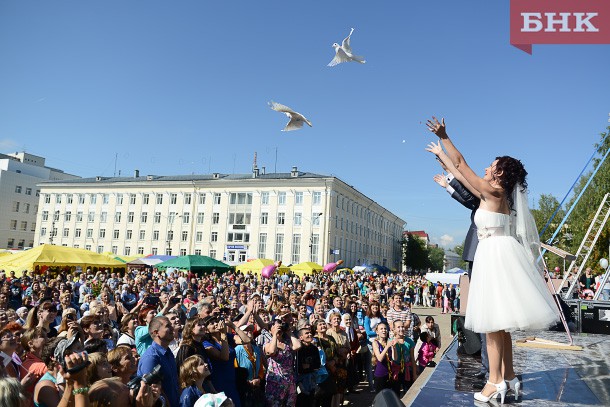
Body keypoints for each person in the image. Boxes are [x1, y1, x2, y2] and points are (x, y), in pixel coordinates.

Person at [426, 116, 559, 403]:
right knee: (501, 326)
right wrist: (441, 157)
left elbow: (462, 165)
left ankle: (493, 382)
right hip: (499, 254)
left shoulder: (494, 191)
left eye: (491, 165)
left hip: (494, 257)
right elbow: (460, 174)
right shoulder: (497, 194)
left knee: (491, 326)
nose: (486, 167)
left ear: (499, 174)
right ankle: (508, 377)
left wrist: (445, 136)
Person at [137, 316, 179, 407]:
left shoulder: (168, 352)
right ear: (156, 333)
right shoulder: (151, 358)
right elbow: (151, 392)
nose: (172, 328)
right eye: (168, 326)